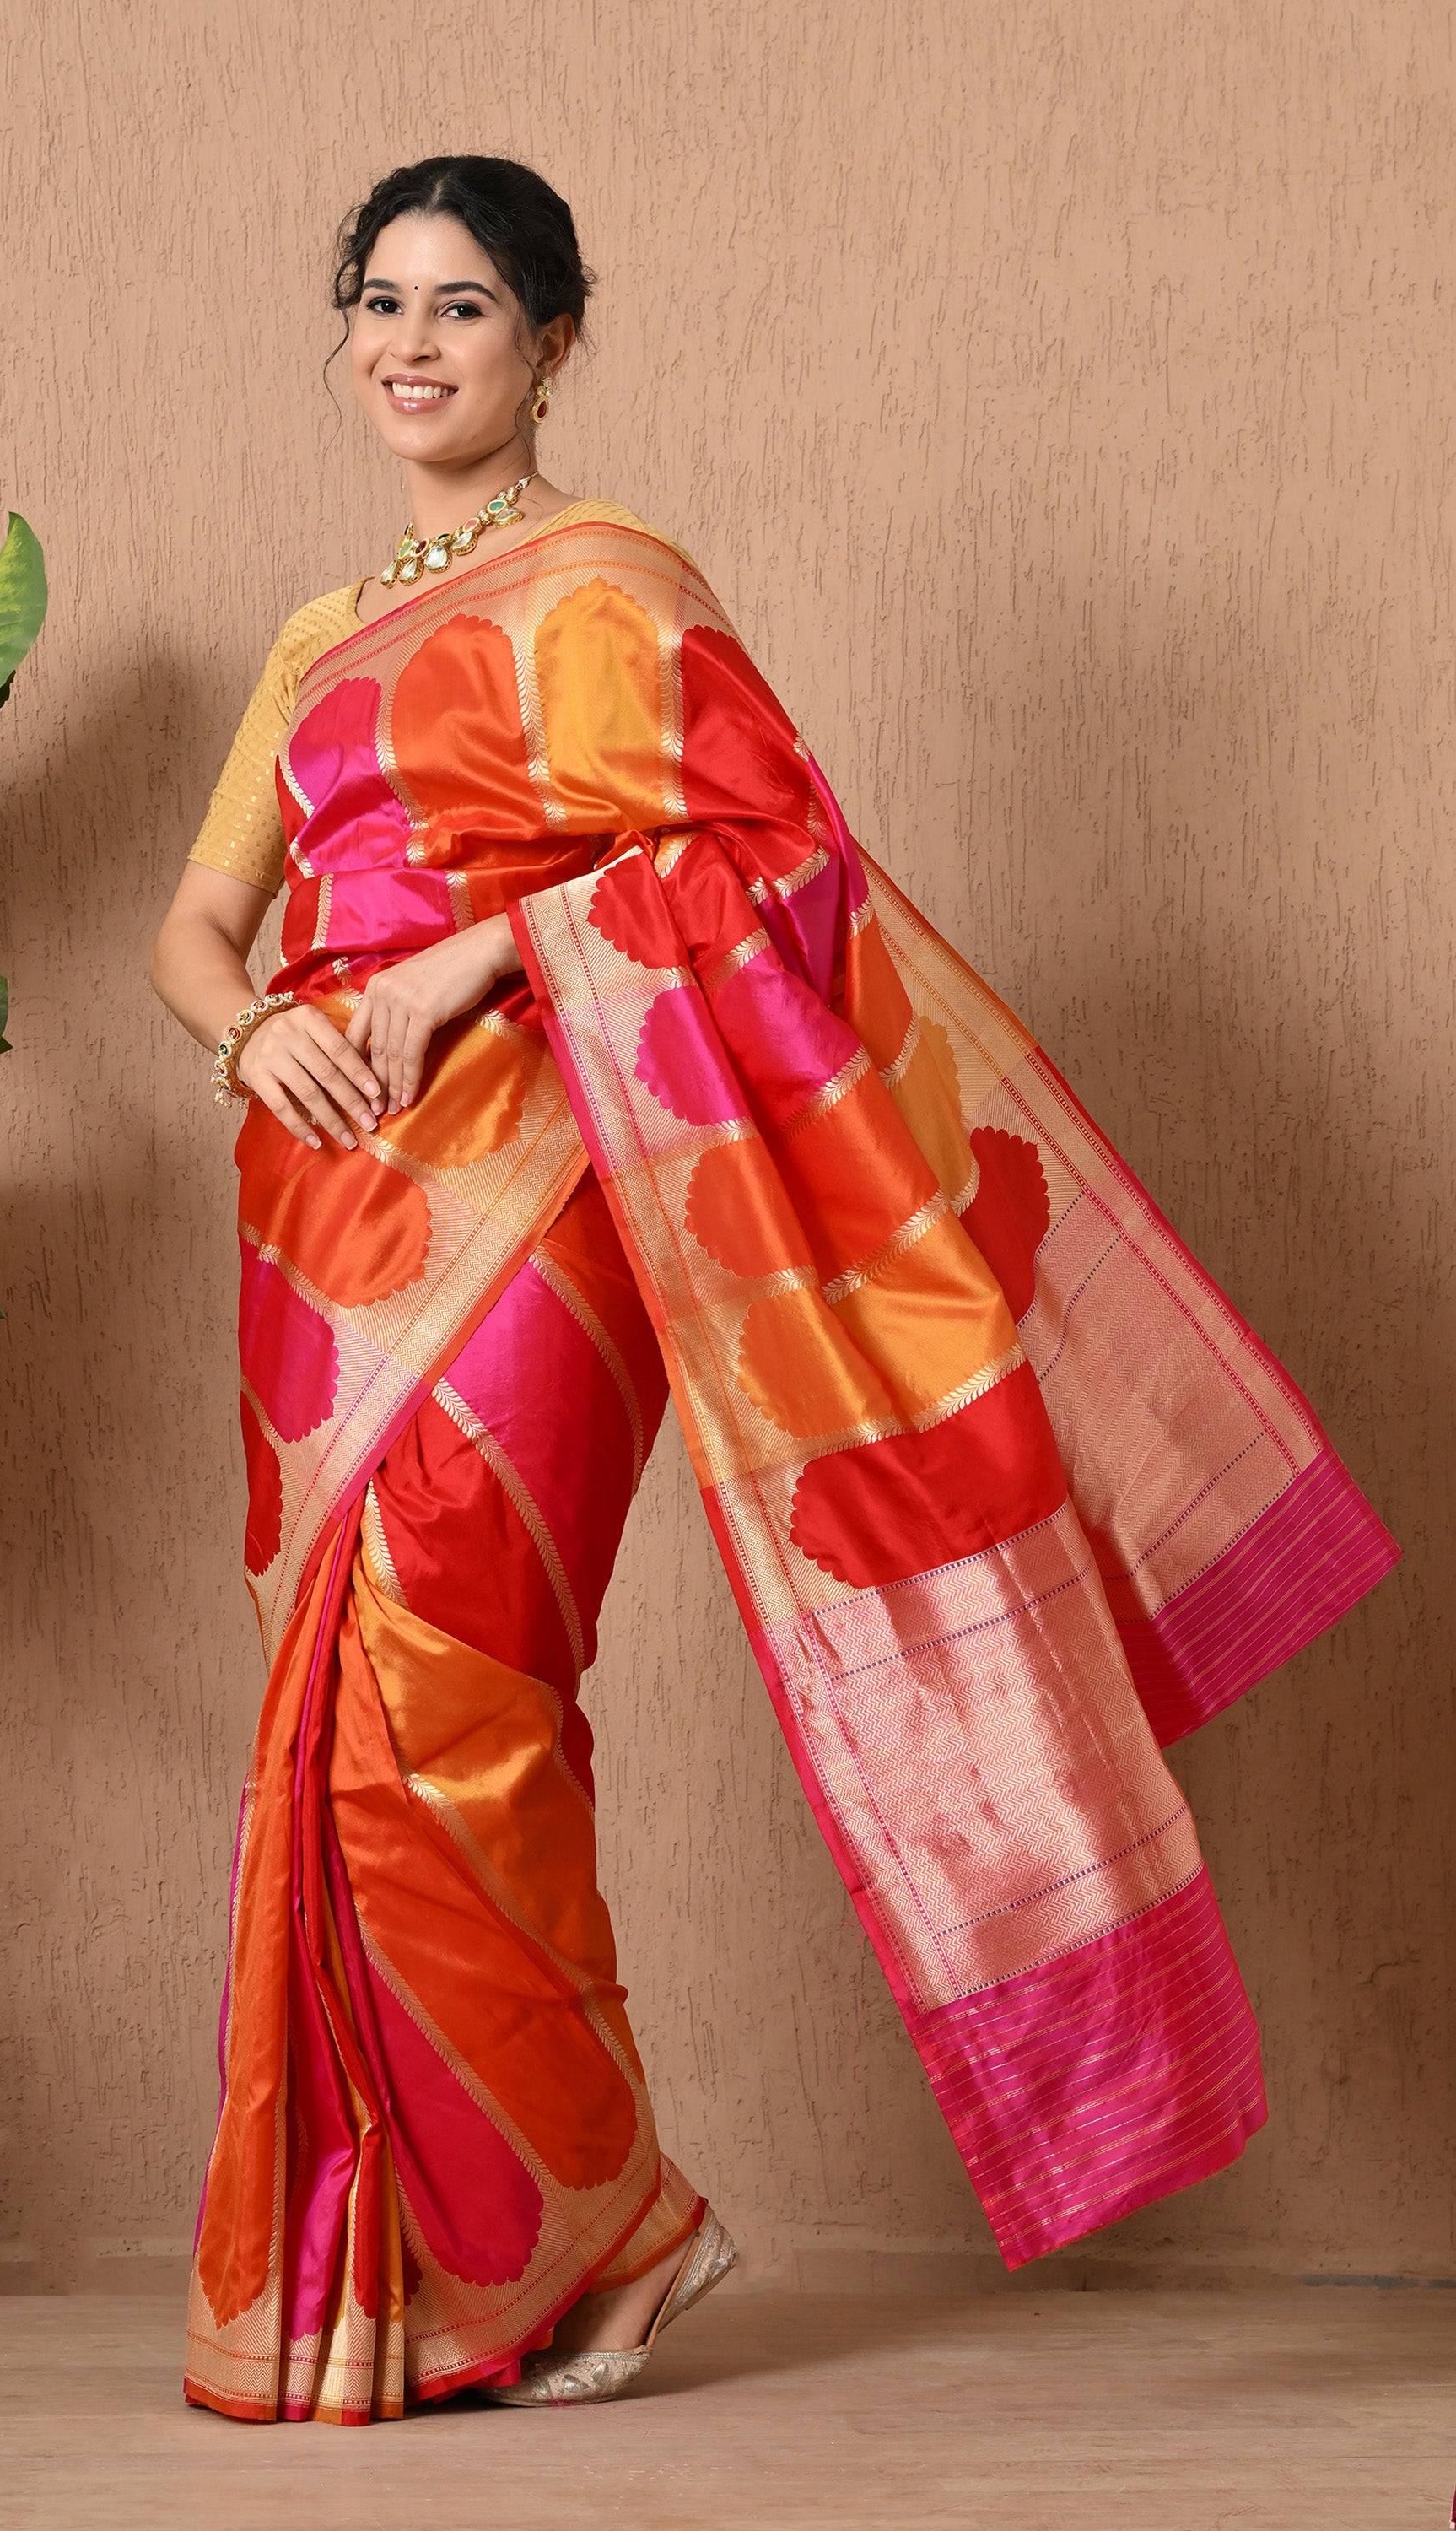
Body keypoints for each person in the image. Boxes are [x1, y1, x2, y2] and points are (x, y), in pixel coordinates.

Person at [150, 155, 1396, 2426]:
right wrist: (250, 1036)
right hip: (317, 1215)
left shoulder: (614, 587)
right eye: (379, 303)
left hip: (546, 1184)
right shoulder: (313, 642)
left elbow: (767, 858)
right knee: (332, 1732)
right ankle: (498, 2251)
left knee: (458, 1689)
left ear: (551, 341)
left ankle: (588, 2232)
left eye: (461, 307)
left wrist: (470, 961)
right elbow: (191, 930)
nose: (410, 345)